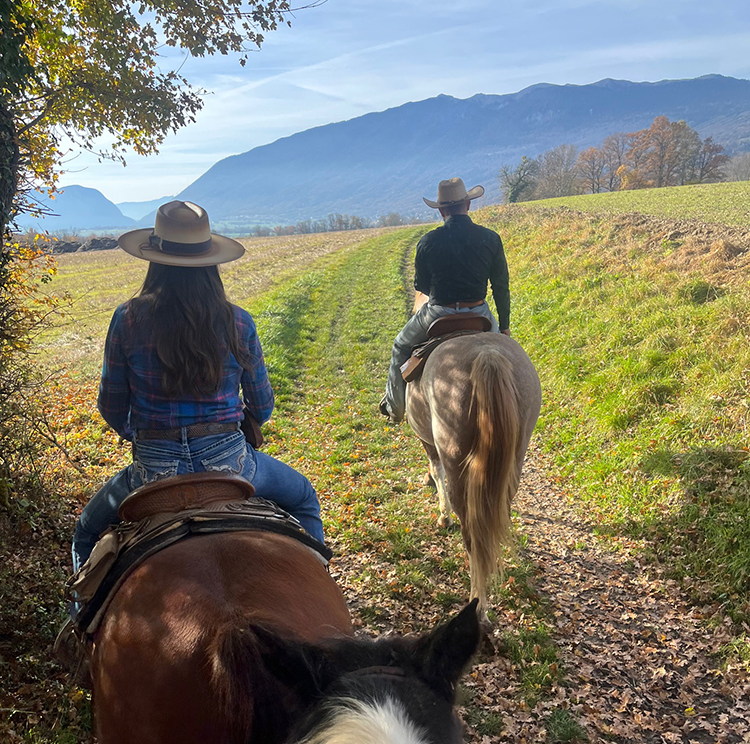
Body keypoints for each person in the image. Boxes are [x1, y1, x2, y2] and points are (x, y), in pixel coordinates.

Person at [71, 200, 324, 576]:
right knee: (304, 497)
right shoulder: (238, 321)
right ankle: (319, 574)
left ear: (154, 259)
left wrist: (143, 434)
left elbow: (110, 405)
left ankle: (79, 626)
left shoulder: (127, 319)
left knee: (85, 532)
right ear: (210, 262)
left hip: (153, 469)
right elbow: (263, 405)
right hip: (233, 462)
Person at [380, 177, 511, 423]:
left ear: (441, 211)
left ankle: (395, 409)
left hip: (438, 313)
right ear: (468, 205)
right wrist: (504, 325)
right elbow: (501, 287)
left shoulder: (428, 241)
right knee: (507, 355)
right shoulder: (491, 238)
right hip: (479, 314)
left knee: (400, 346)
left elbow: (421, 286)